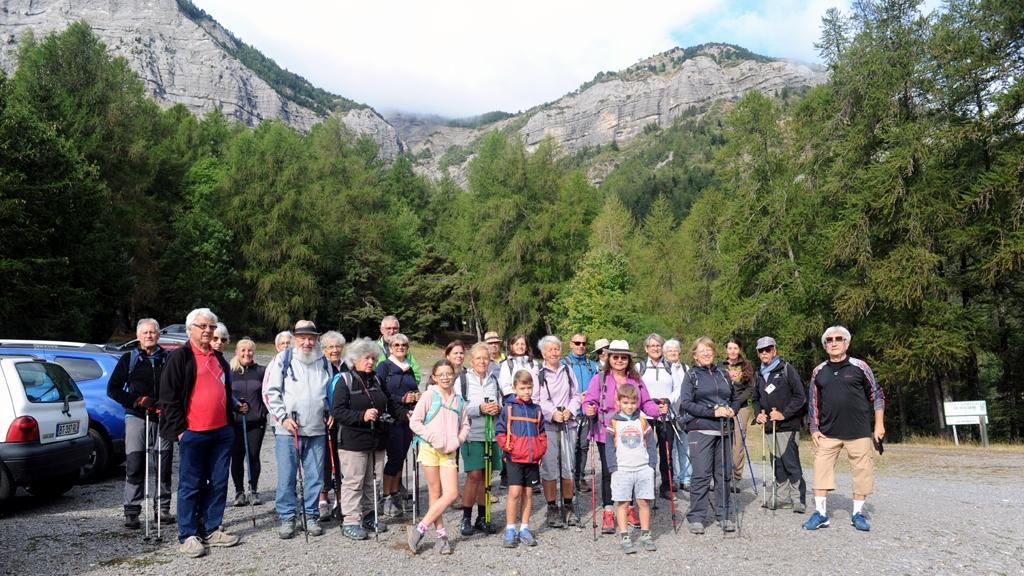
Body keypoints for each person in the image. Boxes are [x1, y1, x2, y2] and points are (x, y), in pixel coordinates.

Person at [159, 308, 245, 558]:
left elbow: (225, 392)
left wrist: (235, 409)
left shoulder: (218, 358)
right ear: (190, 330)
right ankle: (188, 535)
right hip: (193, 433)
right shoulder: (180, 357)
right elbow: (169, 398)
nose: (208, 330)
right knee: (190, 485)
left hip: (222, 432)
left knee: (218, 483)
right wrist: (181, 431)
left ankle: (211, 528)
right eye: (203, 326)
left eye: (211, 326)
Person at [804, 326, 885, 532]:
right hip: (828, 432)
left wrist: (879, 424)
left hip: (858, 432)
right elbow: (813, 402)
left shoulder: (860, 367)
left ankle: (857, 513)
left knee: (862, 472)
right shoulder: (818, 371)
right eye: (829, 340)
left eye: (838, 339)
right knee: (820, 470)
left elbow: (877, 395)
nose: (834, 342)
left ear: (846, 343)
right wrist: (814, 428)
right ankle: (821, 514)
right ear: (825, 346)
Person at [583, 340, 664, 534]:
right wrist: (588, 408)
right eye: (615, 356)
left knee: (632, 470)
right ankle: (609, 511)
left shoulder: (636, 380)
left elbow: (646, 403)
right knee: (611, 472)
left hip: (632, 432)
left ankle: (629, 508)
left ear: (628, 360)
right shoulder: (600, 379)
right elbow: (589, 401)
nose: (619, 360)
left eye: (623, 357)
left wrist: (658, 410)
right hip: (607, 432)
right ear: (609, 358)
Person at [264, 320, 332, 539]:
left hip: (317, 429)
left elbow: (330, 391)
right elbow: (270, 391)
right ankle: (287, 517)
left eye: (311, 338)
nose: (307, 342)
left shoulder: (323, 361)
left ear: (316, 340)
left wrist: (330, 411)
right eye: (302, 337)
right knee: (287, 476)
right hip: (289, 430)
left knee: (315, 476)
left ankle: (310, 515)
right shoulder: (282, 359)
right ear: (295, 339)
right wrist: (282, 417)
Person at [106, 318, 174, 529]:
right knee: (135, 463)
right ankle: (132, 510)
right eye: (145, 333)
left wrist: (168, 404)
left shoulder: (168, 358)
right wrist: (137, 400)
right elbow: (113, 389)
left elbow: (176, 386)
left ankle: (162, 508)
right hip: (136, 416)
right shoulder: (129, 358)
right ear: (138, 336)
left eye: (152, 332)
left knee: (163, 463)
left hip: (162, 417)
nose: (149, 336)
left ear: (158, 335)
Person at [332, 338, 399, 540]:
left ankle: (370, 515)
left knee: (372, 481)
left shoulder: (377, 380)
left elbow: (390, 404)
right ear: (355, 360)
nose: (370, 362)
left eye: (373, 358)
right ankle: (350, 520)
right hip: (353, 441)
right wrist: (361, 416)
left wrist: (406, 415)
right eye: (366, 358)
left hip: (376, 439)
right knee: (354, 482)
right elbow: (338, 412)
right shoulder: (345, 380)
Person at [406, 360, 471, 555]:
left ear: (454, 375)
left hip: (449, 451)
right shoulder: (429, 395)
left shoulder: (459, 400)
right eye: (441, 374)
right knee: (435, 494)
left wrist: (457, 441)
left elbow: (465, 425)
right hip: (429, 449)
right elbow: (415, 423)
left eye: (449, 373)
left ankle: (420, 529)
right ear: (434, 377)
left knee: (450, 494)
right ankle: (442, 537)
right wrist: (434, 438)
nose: (445, 377)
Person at [677, 337, 738, 534]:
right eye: (701, 350)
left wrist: (732, 410)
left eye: (709, 350)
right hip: (701, 429)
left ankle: (724, 514)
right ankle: (697, 517)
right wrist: (713, 412)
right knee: (701, 474)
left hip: (724, 430)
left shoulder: (723, 373)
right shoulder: (691, 375)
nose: (706, 353)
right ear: (694, 354)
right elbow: (685, 403)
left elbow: (735, 398)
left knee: (724, 475)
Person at [751, 336, 807, 513]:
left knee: (790, 462)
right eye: (761, 350)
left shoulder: (786, 369)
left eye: (768, 349)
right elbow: (755, 399)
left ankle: (798, 499)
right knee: (777, 463)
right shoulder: (759, 374)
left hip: (788, 425)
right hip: (769, 426)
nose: (765, 353)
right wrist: (758, 414)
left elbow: (801, 397)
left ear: (775, 350)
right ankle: (783, 498)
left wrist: (784, 414)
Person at [495, 369, 546, 548]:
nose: (527, 391)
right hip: (515, 458)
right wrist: (508, 448)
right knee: (514, 493)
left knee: (528, 494)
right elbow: (500, 432)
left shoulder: (536, 409)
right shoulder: (509, 408)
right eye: (523, 388)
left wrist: (540, 451)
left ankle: (524, 528)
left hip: (532, 459)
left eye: (529, 388)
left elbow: (542, 433)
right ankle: (510, 529)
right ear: (515, 388)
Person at [606, 384, 658, 554]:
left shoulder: (642, 420)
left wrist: (652, 465)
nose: (630, 406)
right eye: (626, 402)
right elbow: (608, 448)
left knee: (643, 502)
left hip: (643, 468)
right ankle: (624, 535)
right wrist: (613, 467)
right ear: (618, 401)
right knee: (623, 503)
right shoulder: (613, 422)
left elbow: (651, 443)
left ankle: (645, 533)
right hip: (622, 469)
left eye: (633, 403)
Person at [535, 335, 580, 528]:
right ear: (543, 353)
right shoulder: (537, 373)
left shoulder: (568, 370)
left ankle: (568, 506)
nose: (554, 352)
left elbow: (576, 394)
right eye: (550, 350)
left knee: (568, 466)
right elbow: (536, 399)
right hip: (548, 426)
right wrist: (552, 413)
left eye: (556, 349)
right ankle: (552, 507)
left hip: (568, 424)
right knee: (549, 467)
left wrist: (570, 409)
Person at [458, 342, 502, 536]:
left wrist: (497, 408)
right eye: (478, 358)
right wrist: (479, 409)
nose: (482, 361)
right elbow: (458, 407)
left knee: (486, 477)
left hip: (490, 435)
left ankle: (482, 518)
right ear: (471, 360)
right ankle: (466, 517)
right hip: (471, 434)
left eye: (486, 358)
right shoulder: (463, 380)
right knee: (474, 475)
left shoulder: (494, 379)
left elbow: (499, 402)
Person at [377, 332, 421, 518]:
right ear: (390, 348)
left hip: (408, 418)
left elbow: (413, 387)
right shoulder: (384, 366)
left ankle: (395, 493)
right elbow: (381, 392)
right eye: (396, 345)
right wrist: (402, 398)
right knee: (394, 457)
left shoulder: (408, 367)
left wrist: (416, 396)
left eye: (404, 345)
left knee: (401, 456)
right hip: (393, 417)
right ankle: (385, 496)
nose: (400, 347)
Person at [636, 333, 679, 500]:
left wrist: (668, 400)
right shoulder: (640, 367)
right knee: (645, 452)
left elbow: (677, 388)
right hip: (645, 416)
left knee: (667, 452)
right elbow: (636, 389)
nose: (655, 348)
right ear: (646, 349)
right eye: (652, 345)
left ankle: (666, 486)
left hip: (666, 416)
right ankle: (644, 486)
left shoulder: (670, 366)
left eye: (658, 345)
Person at [229, 337, 266, 507]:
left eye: (250, 350)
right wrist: (235, 408)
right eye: (243, 350)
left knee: (253, 456)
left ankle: (253, 489)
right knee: (237, 457)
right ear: (237, 352)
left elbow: (267, 395)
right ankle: (239, 491)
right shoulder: (230, 371)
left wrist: (263, 413)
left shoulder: (260, 371)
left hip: (255, 422)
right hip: (235, 422)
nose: (246, 353)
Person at [562, 333, 598, 493]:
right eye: (577, 343)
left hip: (586, 410)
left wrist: (588, 397)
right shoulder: (564, 364)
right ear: (571, 344)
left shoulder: (591, 365)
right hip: (569, 411)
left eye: (583, 343)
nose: (581, 346)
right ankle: (567, 477)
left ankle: (580, 477)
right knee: (570, 446)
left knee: (583, 446)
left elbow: (597, 386)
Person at [318, 330, 347, 517]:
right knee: (323, 460)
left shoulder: (347, 366)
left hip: (342, 419)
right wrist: (327, 412)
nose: (334, 350)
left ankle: (340, 499)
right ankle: (322, 498)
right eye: (330, 347)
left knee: (340, 459)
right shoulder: (319, 366)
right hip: (324, 418)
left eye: (338, 346)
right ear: (323, 349)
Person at [723, 337, 755, 490]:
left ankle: (735, 478)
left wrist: (736, 403)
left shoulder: (747, 366)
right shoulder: (719, 366)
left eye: (735, 348)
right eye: (730, 348)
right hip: (723, 408)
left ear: (739, 349)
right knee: (722, 443)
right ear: (726, 350)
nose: (732, 351)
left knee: (738, 444)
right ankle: (721, 477)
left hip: (740, 408)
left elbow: (750, 389)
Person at [664, 339, 691, 490]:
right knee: (671, 448)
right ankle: (672, 478)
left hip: (684, 412)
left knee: (685, 447)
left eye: (675, 350)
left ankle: (686, 479)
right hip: (668, 413)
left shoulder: (686, 368)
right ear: (665, 354)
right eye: (669, 351)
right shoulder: (664, 369)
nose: (673, 353)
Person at [376, 315, 420, 384]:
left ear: (398, 330)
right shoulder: (374, 349)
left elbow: (416, 374)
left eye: (395, 328)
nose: (392, 331)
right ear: (382, 330)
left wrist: (407, 389)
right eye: (388, 328)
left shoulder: (403, 349)